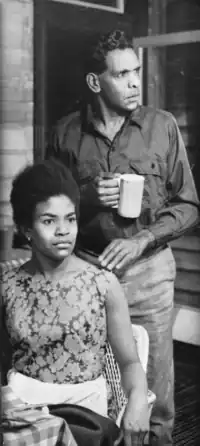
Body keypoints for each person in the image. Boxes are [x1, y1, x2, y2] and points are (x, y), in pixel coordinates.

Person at [46, 30, 200, 445]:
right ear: (96, 82)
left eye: (137, 71)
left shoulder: (161, 126)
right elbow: (44, 209)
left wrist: (142, 239)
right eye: (122, 74)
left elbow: (189, 206)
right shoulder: (64, 133)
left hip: (149, 273)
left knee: (156, 396)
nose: (135, 82)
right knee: (91, 385)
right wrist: (83, 197)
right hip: (88, 276)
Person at [1, 159, 150, 446]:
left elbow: (130, 363)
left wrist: (138, 399)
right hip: (24, 417)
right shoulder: (7, 286)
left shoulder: (102, 284)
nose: (63, 230)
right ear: (25, 228)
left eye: (70, 219)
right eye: (48, 220)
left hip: (85, 420)